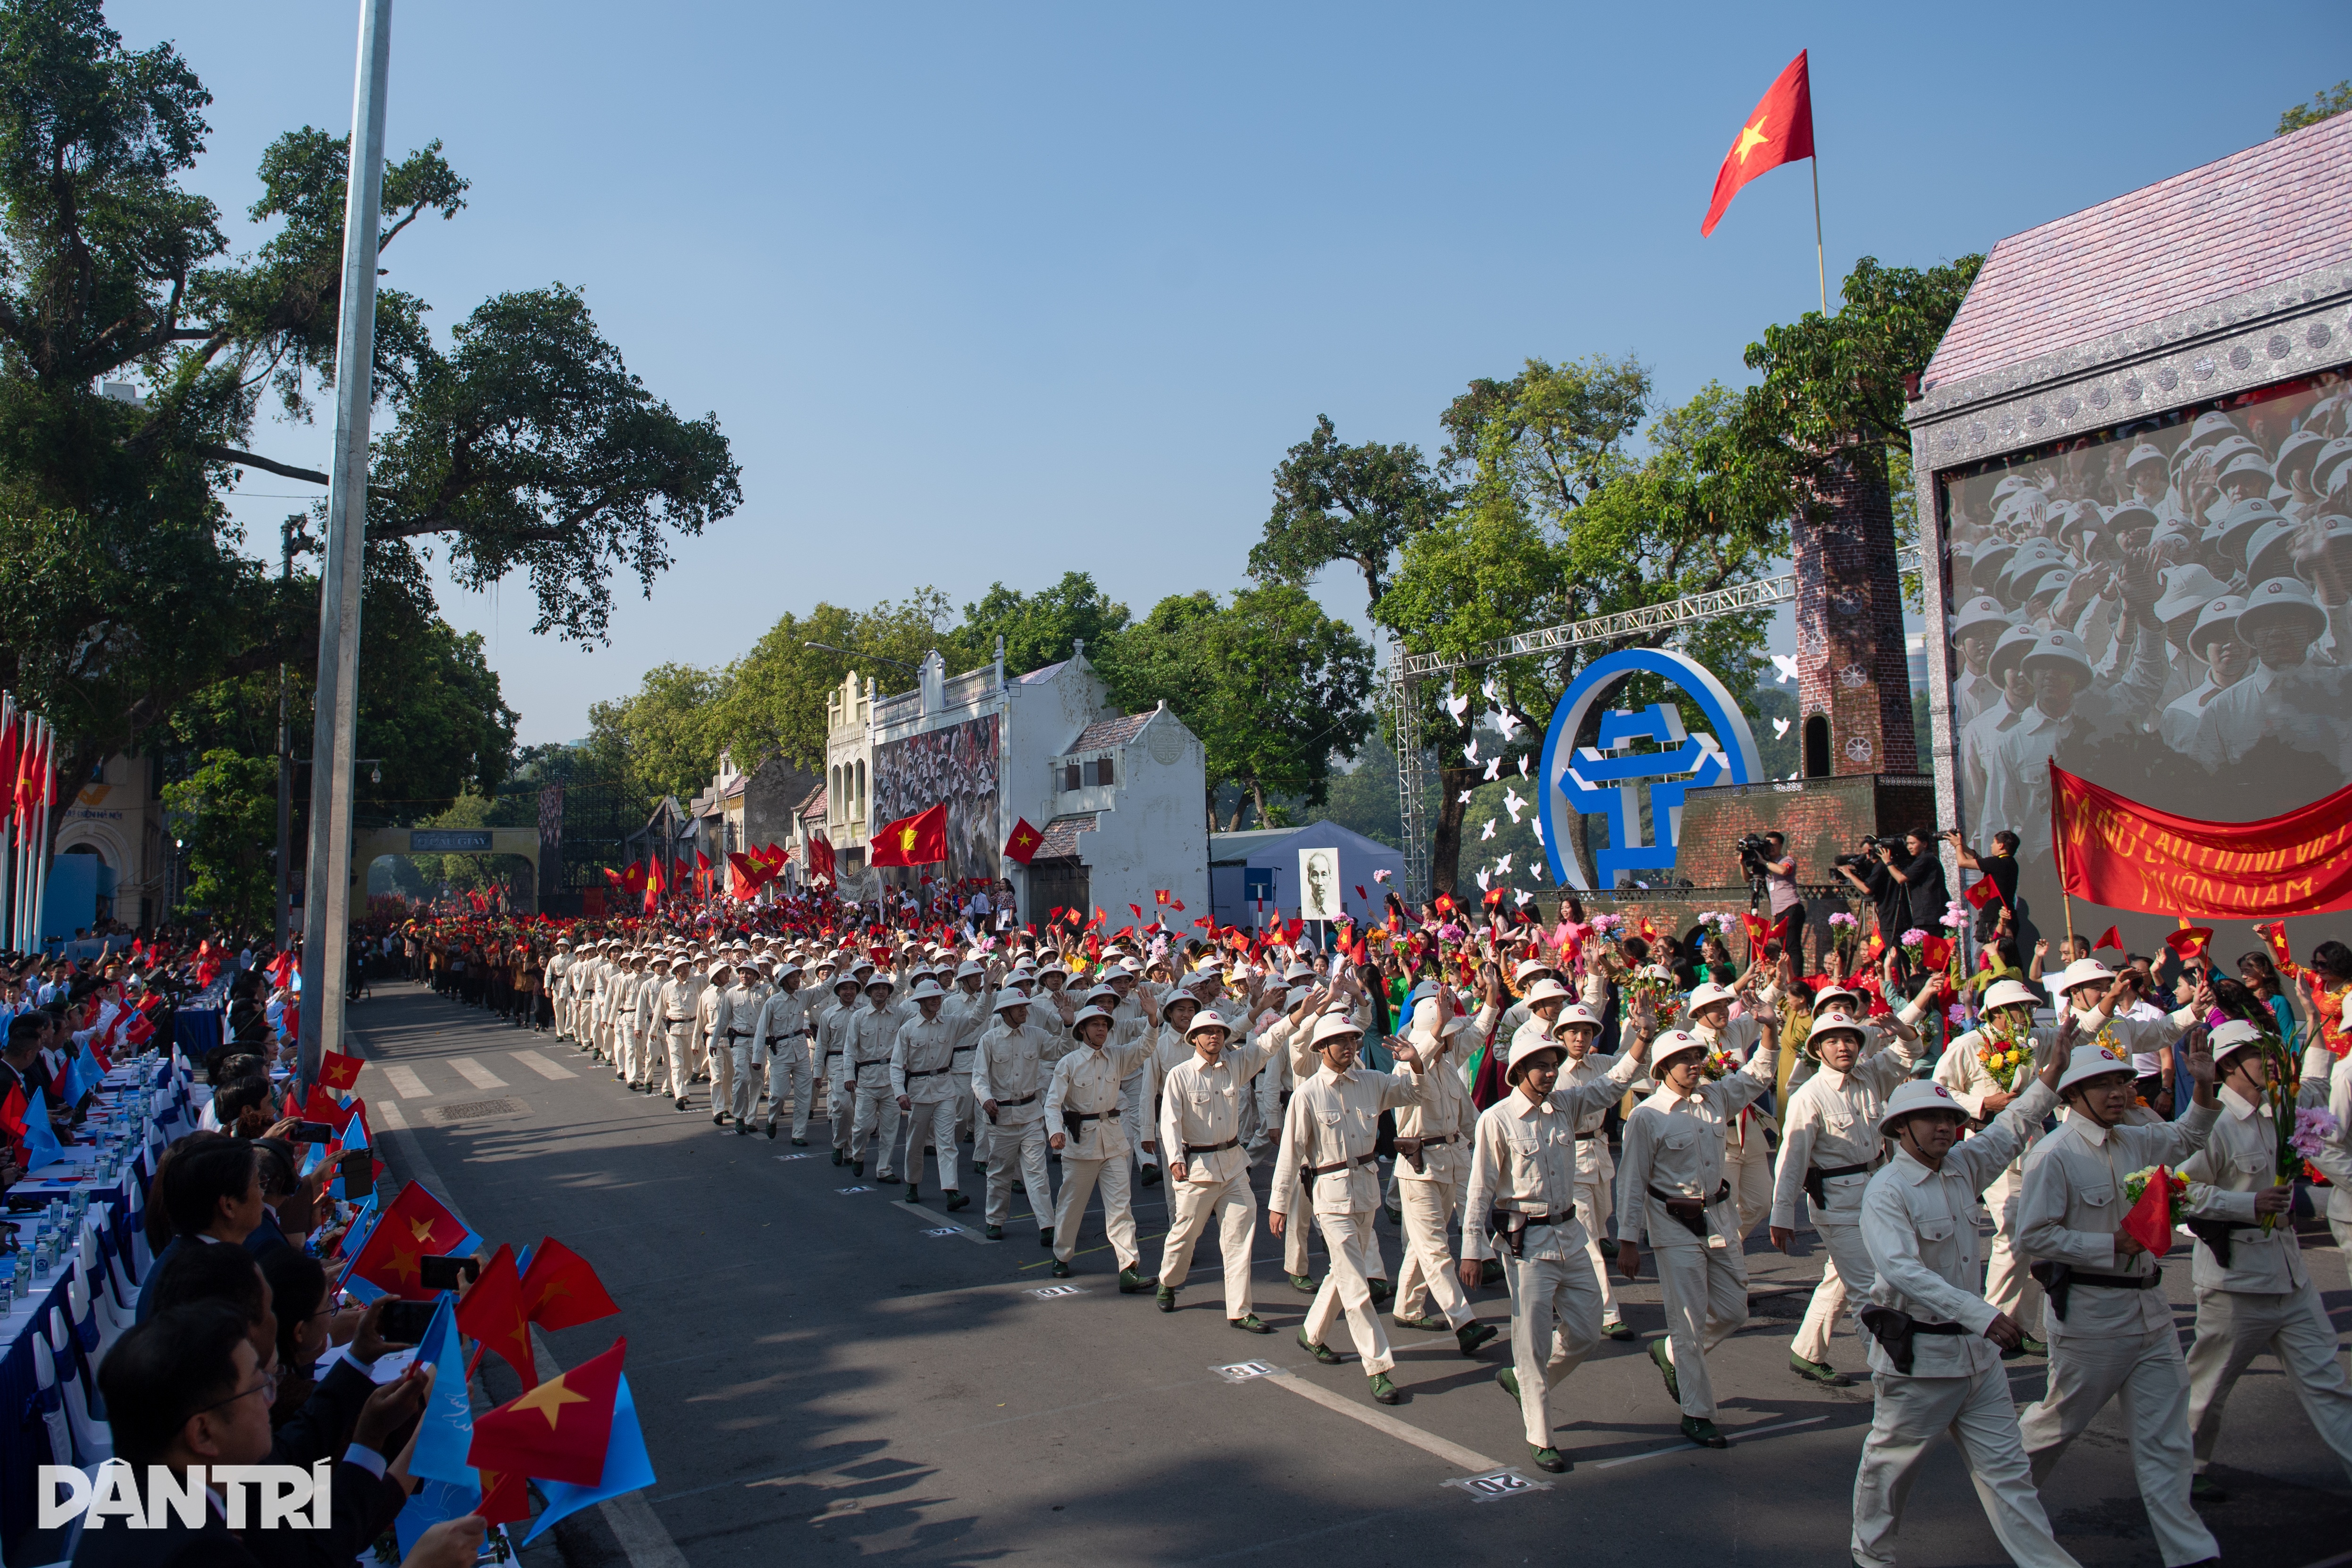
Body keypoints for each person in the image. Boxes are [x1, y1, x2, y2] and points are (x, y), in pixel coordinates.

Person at [1850, 1041, 2076, 1568]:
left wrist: (2052, 1075)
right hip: (1920, 1362)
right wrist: (1984, 1314)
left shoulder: (1963, 1167)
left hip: (1978, 1361)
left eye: (1950, 1117)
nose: (1944, 1128)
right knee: (1890, 1471)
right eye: (1928, 1119)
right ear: (1900, 1130)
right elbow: (1903, 1271)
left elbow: (2011, 1127)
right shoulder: (1887, 1192)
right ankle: (1871, 1558)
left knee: (2010, 1477)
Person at [2015, 1034, 2221, 1568]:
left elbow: (2185, 1140)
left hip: (2151, 1314)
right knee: (2057, 1425)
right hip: (2091, 1316)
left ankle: (2191, 1553)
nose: (2117, 1092)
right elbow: (2033, 1237)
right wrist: (2109, 1244)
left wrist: (2202, 1088)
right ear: (2072, 1095)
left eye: (2122, 1081)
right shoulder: (2053, 1155)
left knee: (2167, 1440)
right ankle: (2005, 1492)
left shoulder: (2136, 1137)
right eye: (2101, 1084)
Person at [85, 1302, 485, 1568]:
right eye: (258, 1387)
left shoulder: (139, 1497)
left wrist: (376, 1435)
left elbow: (327, 1543)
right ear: (203, 1433)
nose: (271, 1401)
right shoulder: (201, 1553)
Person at [1458, 1001, 1653, 1471]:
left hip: (1571, 1233)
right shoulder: (1497, 1120)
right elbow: (1480, 1190)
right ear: (1521, 1069)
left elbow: (1611, 1086)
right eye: (1542, 1067)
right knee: (1532, 1341)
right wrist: (1472, 1250)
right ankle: (1541, 1434)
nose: (1551, 1074)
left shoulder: (1567, 1102)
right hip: (1526, 1243)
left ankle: (1526, 1380)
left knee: (1586, 1332)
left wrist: (1642, 1042)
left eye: (1553, 1066)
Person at [2177, 1020, 2352, 1493]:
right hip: (2236, 1284)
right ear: (2229, 1066)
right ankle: (2179, 1477)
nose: (2271, 1062)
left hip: (2292, 1279)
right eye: (2259, 1055)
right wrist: (2246, 1205)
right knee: (2207, 1390)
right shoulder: (2210, 1123)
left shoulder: (2280, 1109)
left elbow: (2314, 1086)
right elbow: (2178, 1192)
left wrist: (2313, 1021)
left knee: (2329, 1385)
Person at [1614, 1021, 1779, 1448]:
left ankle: (1670, 1354)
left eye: (1697, 1058)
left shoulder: (1715, 1097)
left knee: (1734, 1311)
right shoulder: (1647, 1117)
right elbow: (1632, 1180)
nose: (1693, 1065)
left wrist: (1770, 1030)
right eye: (1683, 1060)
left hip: (1719, 1219)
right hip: (1673, 1224)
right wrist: (1629, 1241)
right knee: (1686, 1321)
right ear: (1662, 1068)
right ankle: (1697, 1412)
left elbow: (1759, 1075)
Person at [1269, 1012, 1428, 1406]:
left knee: (1343, 1273)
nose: (1349, 1046)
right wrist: (1279, 1204)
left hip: (1366, 1189)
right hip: (1330, 1195)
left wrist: (1416, 1062)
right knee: (1357, 1285)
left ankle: (1312, 1333)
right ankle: (1379, 1367)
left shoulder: (1372, 1081)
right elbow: (1290, 1153)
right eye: (1339, 1041)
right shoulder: (1307, 1094)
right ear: (1321, 1047)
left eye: (1353, 1040)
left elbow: (1413, 1093)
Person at [1771, 1010, 1920, 1387]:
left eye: (1850, 1039)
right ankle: (1892, 1376)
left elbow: (1907, 1053)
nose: (1844, 1047)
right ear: (1818, 1049)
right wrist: (1781, 1213)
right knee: (1870, 1291)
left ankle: (1807, 1352)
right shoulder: (1810, 1097)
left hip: (1880, 1196)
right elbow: (1792, 1160)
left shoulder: (1870, 1076)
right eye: (1833, 1041)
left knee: (1840, 1278)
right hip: (1837, 1205)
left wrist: (1903, 1030)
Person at [1153, 1008, 1275, 1330]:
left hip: (1233, 1166)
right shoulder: (1179, 1075)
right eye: (1207, 1032)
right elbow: (1170, 1121)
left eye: (1219, 1031)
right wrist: (1176, 1158)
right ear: (1193, 1038)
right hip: (1197, 1169)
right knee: (1185, 1234)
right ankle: (1168, 1280)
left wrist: (1297, 1016)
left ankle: (1240, 1310)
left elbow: (1269, 1043)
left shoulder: (1235, 1065)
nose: (1214, 1036)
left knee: (1238, 1237)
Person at [1385, 996, 1490, 1353]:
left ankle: (1408, 1307)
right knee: (1436, 1248)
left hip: (1449, 1163)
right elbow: (1415, 1068)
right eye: (1446, 1033)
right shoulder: (1406, 1067)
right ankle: (1463, 1322)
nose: (1451, 1040)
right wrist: (1433, 1029)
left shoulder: (1446, 1068)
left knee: (1423, 1242)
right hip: (1419, 1168)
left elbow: (1468, 1119)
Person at [1044, 1003, 1155, 1290]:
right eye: (1095, 1025)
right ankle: (1062, 1255)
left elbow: (1144, 1048)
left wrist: (1153, 1019)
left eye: (1105, 1024)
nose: (1102, 1029)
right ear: (1082, 1030)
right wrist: (1056, 1131)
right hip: (1081, 1144)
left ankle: (1129, 1268)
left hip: (1115, 1141)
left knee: (1121, 1207)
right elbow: (1053, 1103)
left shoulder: (1116, 1057)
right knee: (1072, 1204)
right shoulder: (1068, 1063)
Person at [973, 990, 1056, 1242]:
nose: (1024, 1011)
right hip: (1002, 1117)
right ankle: (994, 1220)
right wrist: (986, 1098)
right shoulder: (989, 1040)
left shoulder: (1037, 1035)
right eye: (1019, 1007)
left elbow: (1062, 1048)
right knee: (1000, 1172)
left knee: (1037, 1172)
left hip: (1031, 1115)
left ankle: (1047, 1225)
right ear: (1004, 1011)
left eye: (1025, 1006)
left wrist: (1069, 1022)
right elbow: (979, 1077)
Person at [891, 977, 967, 1209]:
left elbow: (976, 1019)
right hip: (918, 1090)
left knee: (947, 1142)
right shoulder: (908, 1029)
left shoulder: (951, 1023)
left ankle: (951, 1191)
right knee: (916, 1141)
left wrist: (985, 990)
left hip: (945, 1087)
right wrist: (899, 1092)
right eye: (932, 998)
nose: (936, 1001)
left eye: (939, 997)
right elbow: (896, 1065)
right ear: (921, 1001)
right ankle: (912, 1183)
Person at [753, 959, 811, 1142]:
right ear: (784, 980)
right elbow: (761, 1030)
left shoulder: (803, 997)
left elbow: (825, 990)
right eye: (792, 977)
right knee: (779, 1094)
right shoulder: (773, 1002)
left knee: (804, 1095)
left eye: (798, 977)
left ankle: (799, 1134)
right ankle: (772, 1119)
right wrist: (757, 1057)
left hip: (801, 1051)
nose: (797, 980)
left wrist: (840, 967)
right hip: (780, 1053)